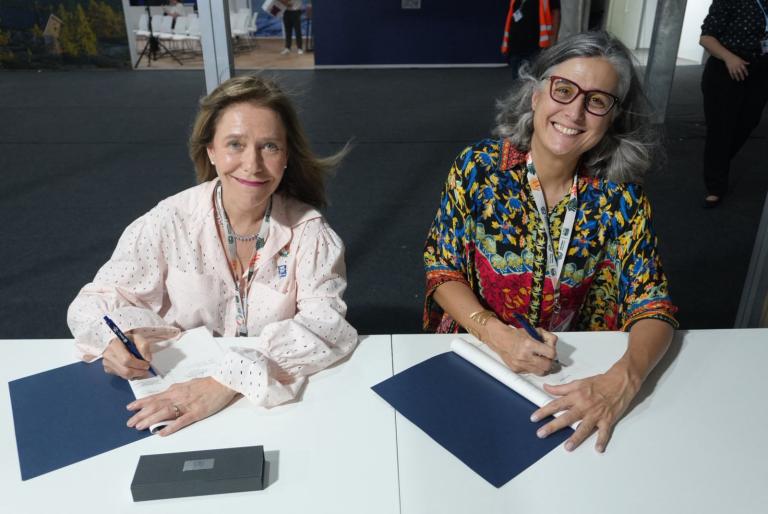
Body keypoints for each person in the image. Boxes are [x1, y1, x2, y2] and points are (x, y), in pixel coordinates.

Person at [424, 31, 678, 453]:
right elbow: (441, 268)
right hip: (478, 350)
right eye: (564, 90)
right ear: (536, 94)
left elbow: (652, 304)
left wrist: (624, 378)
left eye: (597, 100)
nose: (575, 112)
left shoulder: (621, 197)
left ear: (613, 116)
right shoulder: (478, 169)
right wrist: (496, 335)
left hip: (576, 366)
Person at [67, 75, 357, 436]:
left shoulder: (310, 233)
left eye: (269, 146)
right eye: (235, 144)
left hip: (264, 403)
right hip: (171, 395)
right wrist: (116, 338)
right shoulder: (168, 221)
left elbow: (327, 325)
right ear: (211, 151)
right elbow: (91, 303)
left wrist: (225, 382)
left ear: (286, 157)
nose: (252, 165)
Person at [699, 0, 768, 208]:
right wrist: (729, 58)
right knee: (721, 129)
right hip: (726, 69)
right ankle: (715, 186)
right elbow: (706, 38)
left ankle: (717, 160)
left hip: (759, 70)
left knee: (749, 122)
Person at [501, 0, 561, 78]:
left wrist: (553, 41)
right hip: (515, 46)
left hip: (537, 46)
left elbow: (556, 12)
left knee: (533, 80)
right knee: (517, 82)